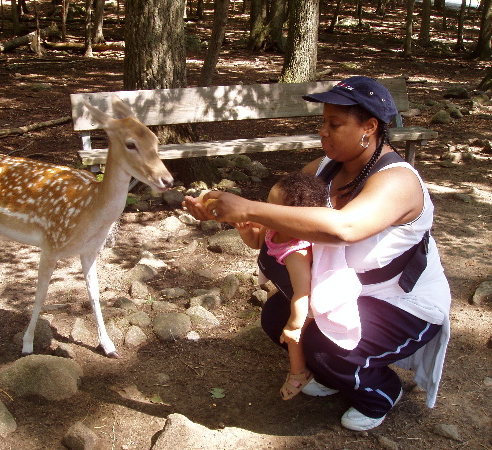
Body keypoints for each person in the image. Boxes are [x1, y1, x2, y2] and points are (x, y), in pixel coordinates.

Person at [183, 76, 451, 432]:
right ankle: (337, 373)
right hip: (345, 291)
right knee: (277, 317)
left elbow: (344, 228)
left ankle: (382, 392)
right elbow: (282, 213)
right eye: (322, 122)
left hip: (402, 301)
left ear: (369, 127)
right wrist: (225, 211)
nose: (323, 132)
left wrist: (248, 208)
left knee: (324, 346)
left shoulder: (398, 181)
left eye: (334, 124)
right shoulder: (327, 168)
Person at [234, 172, 328, 401]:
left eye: (273, 207)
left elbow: (303, 292)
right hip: (292, 291)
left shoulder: (297, 253)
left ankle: (299, 372)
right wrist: (246, 230)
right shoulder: (273, 226)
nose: (267, 211)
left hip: (310, 300)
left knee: (296, 339)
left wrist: (295, 325)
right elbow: (257, 242)